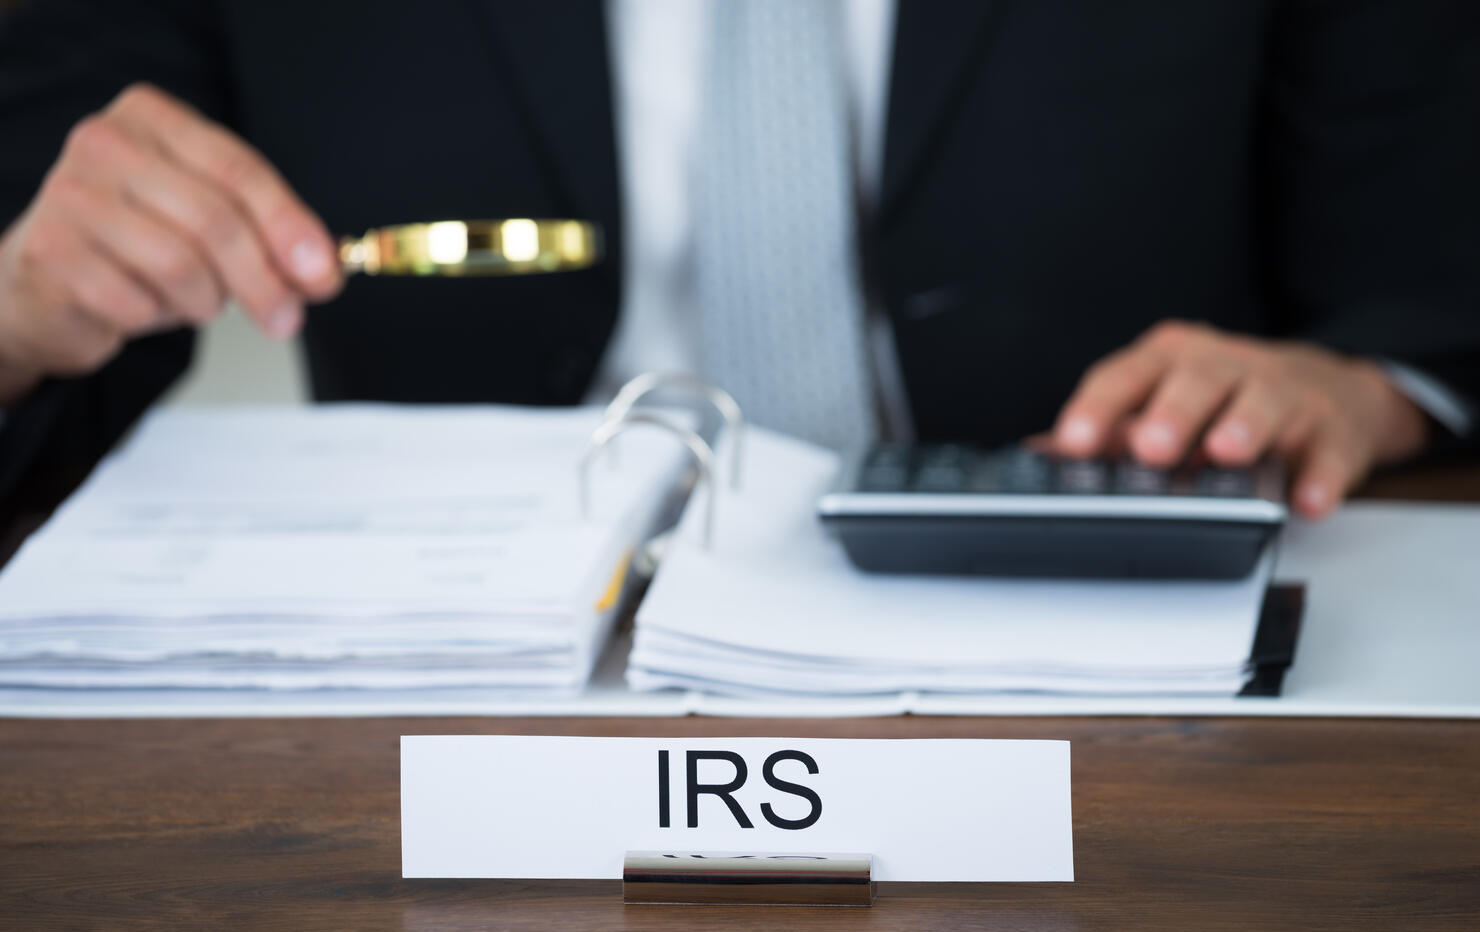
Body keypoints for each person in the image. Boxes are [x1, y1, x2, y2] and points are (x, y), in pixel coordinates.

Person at [0, 0, 1475, 530]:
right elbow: (54, 256)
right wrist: (15, 305)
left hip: (1093, 641)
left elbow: (1426, 268)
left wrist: (1366, 387)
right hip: (448, 677)